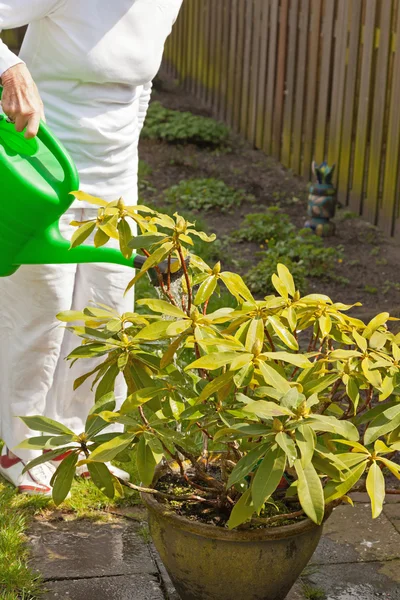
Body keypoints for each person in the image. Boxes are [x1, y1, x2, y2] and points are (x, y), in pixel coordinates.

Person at [0, 0, 183, 495]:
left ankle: (77, 440)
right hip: (41, 172)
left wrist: (126, 171)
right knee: (42, 311)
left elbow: (138, 86)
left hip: (114, 183)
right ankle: (20, 444)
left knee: (104, 315)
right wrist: (10, 67)